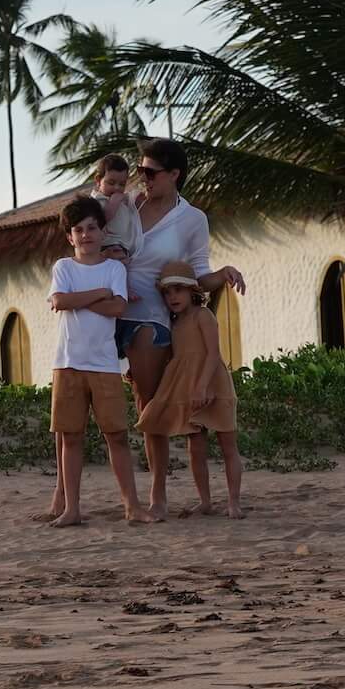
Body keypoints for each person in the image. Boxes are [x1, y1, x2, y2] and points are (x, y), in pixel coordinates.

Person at [119, 136, 246, 515]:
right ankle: (64, 498)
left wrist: (222, 274)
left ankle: (157, 494)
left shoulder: (191, 219)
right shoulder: (127, 206)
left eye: (150, 172)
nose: (143, 178)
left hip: (154, 317)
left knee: (149, 404)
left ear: (175, 174)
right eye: (140, 170)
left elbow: (198, 274)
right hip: (111, 313)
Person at [40, 194, 154, 528]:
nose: (86, 234)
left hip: (104, 364)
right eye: (79, 229)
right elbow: (59, 300)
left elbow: (119, 308)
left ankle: (131, 506)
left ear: (103, 232)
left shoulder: (114, 268)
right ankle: (72, 509)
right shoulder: (63, 267)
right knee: (70, 436)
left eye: (92, 227)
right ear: (69, 237)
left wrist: (81, 301)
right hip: (68, 363)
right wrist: (99, 294)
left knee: (116, 435)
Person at [135, 261, 244, 518]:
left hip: (211, 383)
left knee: (228, 444)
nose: (173, 297)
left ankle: (234, 502)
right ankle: (205, 501)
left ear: (192, 291)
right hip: (186, 386)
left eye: (178, 290)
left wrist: (203, 386)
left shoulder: (203, 315)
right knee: (195, 446)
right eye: (167, 292)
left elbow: (212, 353)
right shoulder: (173, 323)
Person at [88, 153, 141, 262]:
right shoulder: (96, 201)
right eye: (111, 183)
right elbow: (99, 222)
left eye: (122, 184)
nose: (117, 188)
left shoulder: (123, 199)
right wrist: (112, 205)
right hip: (108, 249)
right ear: (98, 180)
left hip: (124, 250)